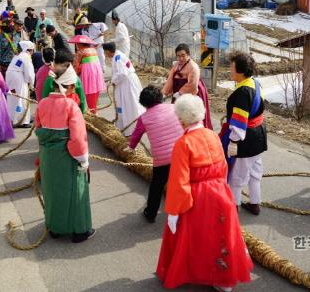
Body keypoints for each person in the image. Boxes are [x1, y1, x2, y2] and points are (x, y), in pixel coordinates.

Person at [156, 94, 253, 291]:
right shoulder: (212, 135)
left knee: (196, 238)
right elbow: (224, 166)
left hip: (198, 196)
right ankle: (223, 279)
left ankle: (192, 272)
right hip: (220, 191)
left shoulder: (183, 144)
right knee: (222, 235)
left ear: (182, 119)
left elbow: (178, 181)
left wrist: (174, 211)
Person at [35, 64, 95, 243]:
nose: (75, 88)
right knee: (76, 190)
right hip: (68, 155)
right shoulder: (71, 106)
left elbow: (38, 127)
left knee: (52, 190)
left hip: (48, 154)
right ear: (67, 86)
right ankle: (79, 231)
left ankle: (56, 227)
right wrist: (83, 159)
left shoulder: (42, 103)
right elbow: (77, 137)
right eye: (73, 85)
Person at [128, 85, 183, 223]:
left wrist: (131, 147)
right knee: (183, 182)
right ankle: (185, 212)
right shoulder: (174, 108)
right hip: (182, 154)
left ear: (144, 103)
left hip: (162, 159)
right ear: (160, 97)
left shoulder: (144, 118)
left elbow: (136, 135)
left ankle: (151, 213)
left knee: (157, 186)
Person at [221, 52, 268, 215]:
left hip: (245, 139)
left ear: (240, 71)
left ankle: (233, 209)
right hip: (259, 136)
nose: (230, 70)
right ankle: (255, 203)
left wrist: (233, 143)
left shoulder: (242, 92)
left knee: (237, 177)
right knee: (255, 172)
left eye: (232, 67)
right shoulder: (255, 82)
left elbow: (240, 124)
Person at [162, 43, 212, 129]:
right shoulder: (176, 65)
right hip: (177, 91)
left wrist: (180, 93)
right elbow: (170, 80)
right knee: (177, 116)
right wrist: (164, 93)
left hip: (193, 92)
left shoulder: (193, 66)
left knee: (191, 116)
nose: (180, 58)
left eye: (183, 55)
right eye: (178, 56)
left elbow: (192, 84)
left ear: (188, 54)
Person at [103, 42, 144, 136]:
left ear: (108, 51)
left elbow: (123, 73)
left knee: (129, 105)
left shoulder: (118, 58)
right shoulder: (118, 55)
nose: (105, 54)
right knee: (127, 104)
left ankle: (131, 129)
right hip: (126, 82)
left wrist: (113, 81)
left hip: (126, 84)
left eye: (105, 52)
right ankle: (125, 127)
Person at [41, 49, 87, 113]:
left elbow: (45, 97)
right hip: (73, 113)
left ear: (55, 63)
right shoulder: (75, 79)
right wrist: (82, 113)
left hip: (55, 114)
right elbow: (82, 99)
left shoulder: (50, 79)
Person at [6, 41, 36, 128]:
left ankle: (13, 118)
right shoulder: (26, 56)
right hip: (18, 79)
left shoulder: (18, 56)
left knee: (13, 98)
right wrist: (31, 84)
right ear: (29, 49)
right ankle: (23, 121)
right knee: (22, 97)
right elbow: (30, 73)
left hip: (10, 78)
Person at [71, 35, 105, 114]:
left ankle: (90, 114)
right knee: (94, 98)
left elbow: (75, 67)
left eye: (77, 44)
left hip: (88, 77)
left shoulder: (80, 52)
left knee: (88, 97)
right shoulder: (93, 50)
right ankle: (94, 112)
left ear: (79, 44)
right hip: (97, 76)